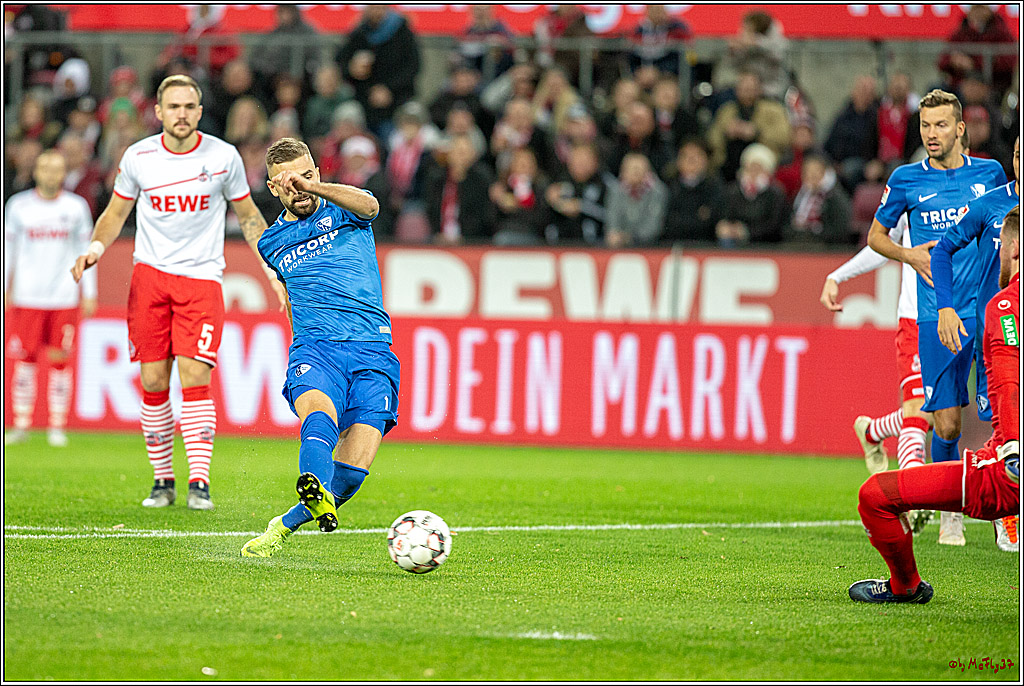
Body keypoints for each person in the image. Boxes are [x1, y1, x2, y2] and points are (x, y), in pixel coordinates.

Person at [71, 74, 286, 511]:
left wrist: (272, 268)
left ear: (200, 112)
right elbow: (115, 213)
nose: (182, 114)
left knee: (194, 375)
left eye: (189, 107)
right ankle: (163, 481)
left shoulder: (223, 157)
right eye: (174, 107)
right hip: (150, 278)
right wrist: (94, 248)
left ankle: (199, 483)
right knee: (153, 380)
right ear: (159, 111)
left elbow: (249, 217)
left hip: (201, 279)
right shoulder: (139, 157)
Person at [849, 205, 1019, 604]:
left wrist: (1012, 454)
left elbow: (1009, 383)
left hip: (1006, 471)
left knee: (876, 496)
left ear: (1012, 250)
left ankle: (905, 585)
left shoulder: (1006, 305)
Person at [240, 137, 400, 557]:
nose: (299, 187)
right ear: (273, 188)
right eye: (288, 182)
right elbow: (293, 297)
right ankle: (312, 486)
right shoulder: (271, 243)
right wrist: (301, 341)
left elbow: (372, 206)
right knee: (319, 414)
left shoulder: (346, 208)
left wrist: (313, 187)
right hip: (316, 350)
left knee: (350, 475)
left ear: (317, 173)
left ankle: (283, 525)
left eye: (306, 176)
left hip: (372, 350)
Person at [867, 89, 1006, 546]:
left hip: (986, 312)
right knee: (946, 424)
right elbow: (875, 237)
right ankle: (951, 509)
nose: (932, 134)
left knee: (1001, 414)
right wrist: (909, 255)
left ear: (960, 129)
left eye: (941, 125)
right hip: (935, 315)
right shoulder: (906, 179)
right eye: (925, 125)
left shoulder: (991, 174)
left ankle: (998, 512)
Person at [931, 137, 1019, 551]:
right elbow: (943, 249)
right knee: (1004, 424)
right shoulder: (989, 206)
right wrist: (945, 306)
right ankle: (1000, 508)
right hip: (1001, 331)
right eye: (1018, 156)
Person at [5, 149, 97, 447]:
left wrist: (89, 292)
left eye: (56, 169)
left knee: (60, 361)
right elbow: (9, 249)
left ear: (63, 173)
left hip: (63, 296)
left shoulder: (76, 207)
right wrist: (6, 286)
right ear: (36, 172)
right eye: (45, 168)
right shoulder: (18, 206)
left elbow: (86, 251)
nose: (50, 174)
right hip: (27, 296)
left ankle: (57, 426)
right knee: (25, 361)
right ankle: (21, 424)